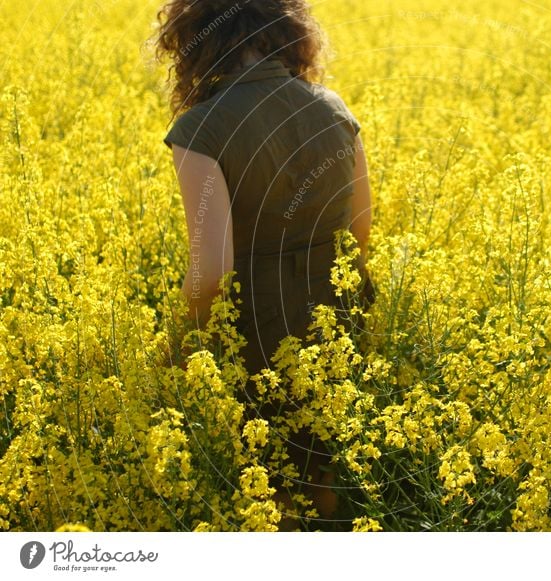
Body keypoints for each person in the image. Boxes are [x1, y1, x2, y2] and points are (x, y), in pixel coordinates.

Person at [155, 0, 375, 530]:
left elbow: (211, 270)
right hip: (336, 322)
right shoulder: (333, 107)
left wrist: (184, 348)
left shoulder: (202, 128)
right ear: (291, 33)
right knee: (323, 481)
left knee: (267, 494)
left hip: (255, 330)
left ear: (195, 42)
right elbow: (362, 230)